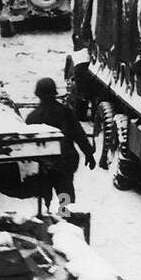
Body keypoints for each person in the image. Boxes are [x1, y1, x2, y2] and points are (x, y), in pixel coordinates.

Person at [26, 76, 96, 211]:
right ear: (54, 93)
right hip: (65, 163)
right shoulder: (65, 112)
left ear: (38, 94)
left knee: (43, 195)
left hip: (43, 166)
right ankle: (67, 220)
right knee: (66, 196)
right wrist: (89, 154)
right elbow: (79, 134)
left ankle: (45, 215)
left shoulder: (33, 117)